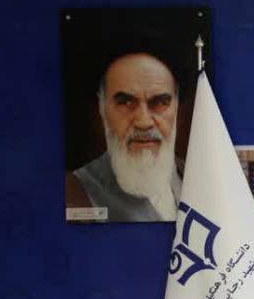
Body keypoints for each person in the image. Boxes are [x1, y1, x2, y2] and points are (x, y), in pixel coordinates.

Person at [66, 51, 182, 222]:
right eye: (126, 103)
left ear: (176, 107)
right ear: (102, 108)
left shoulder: (198, 175)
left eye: (159, 102)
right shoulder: (74, 193)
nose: (143, 122)